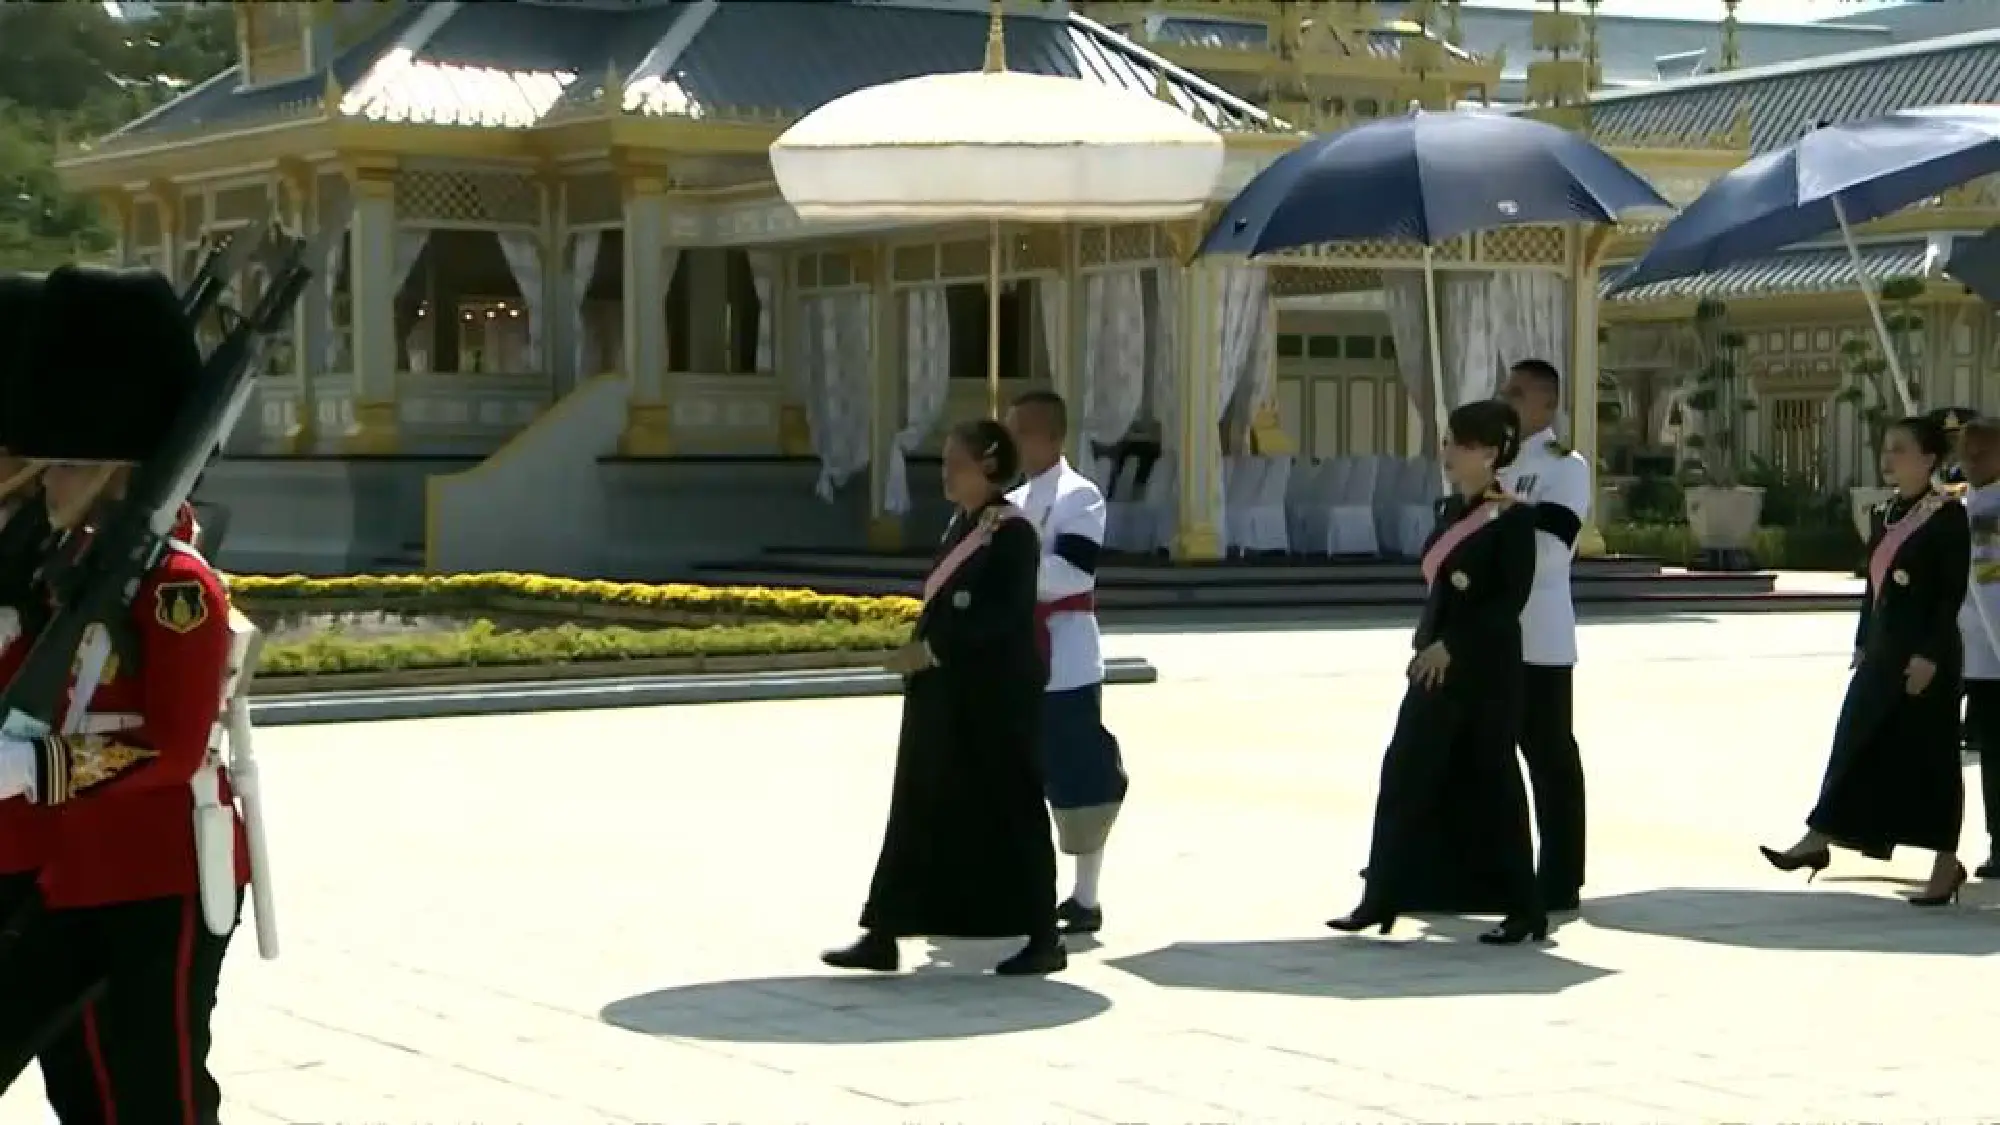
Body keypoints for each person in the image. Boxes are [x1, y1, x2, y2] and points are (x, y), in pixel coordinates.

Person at [0, 264, 247, 1120]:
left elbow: (169, 748)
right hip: (70, 873)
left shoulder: (178, 588)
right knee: (86, 1093)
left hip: (157, 872)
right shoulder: (71, 572)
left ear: (113, 468)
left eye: (64, 463)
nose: (46, 480)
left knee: (155, 1097)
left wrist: (38, 767)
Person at [823, 418, 1066, 976]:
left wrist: (936, 650)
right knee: (918, 806)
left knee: (1014, 808)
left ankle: (1043, 935)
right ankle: (883, 932)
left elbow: (1003, 617)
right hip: (944, 697)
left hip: (995, 699)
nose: (946, 475)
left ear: (987, 463)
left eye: (955, 463)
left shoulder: (1013, 533)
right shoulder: (962, 526)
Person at [1328, 399, 1545, 946]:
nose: (1448, 453)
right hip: (1433, 670)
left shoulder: (1515, 516)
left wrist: (1454, 645)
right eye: (1449, 442)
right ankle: (1380, 898)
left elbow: (1506, 604)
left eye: (1463, 445)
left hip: (1486, 672)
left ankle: (1525, 907)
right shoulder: (1449, 512)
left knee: (1496, 785)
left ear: (1492, 453)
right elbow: (1444, 589)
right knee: (1403, 774)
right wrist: (1429, 641)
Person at [1761, 414, 1970, 905]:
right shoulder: (1887, 514)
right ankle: (1819, 837)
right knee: (1854, 740)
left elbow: (1949, 595)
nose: (1889, 457)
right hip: (1882, 649)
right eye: (1886, 448)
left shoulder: (1947, 516)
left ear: (1929, 458)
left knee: (1932, 760)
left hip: (1925, 656)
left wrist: (1929, 656)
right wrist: (1862, 640)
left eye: (1900, 449)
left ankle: (1946, 862)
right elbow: (1872, 588)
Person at [1004, 391, 1129, 935]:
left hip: (1067, 655)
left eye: (1021, 431)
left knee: (1079, 775)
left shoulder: (1081, 497)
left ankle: (1085, 896)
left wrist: (1009, 573)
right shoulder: (1011, 499)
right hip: (1017, 659)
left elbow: (1072, 574)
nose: (1013, 442)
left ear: (1050, 436)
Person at [1496, 358, 1593, 912]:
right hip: (1495, 627)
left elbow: (1557, 537)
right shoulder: (1501, 463)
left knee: (1550, 756)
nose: (1507, 400)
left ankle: (1560, 876)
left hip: (1542, 628)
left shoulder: (1564, 465)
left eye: (1518, 392)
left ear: (1547, 404)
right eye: (1505, 390)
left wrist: (1508, 514)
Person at [1956, 419, 2000, 877]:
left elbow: (1989, 589)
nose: (1970, 461)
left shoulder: (1989, 511)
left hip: (1990, 657)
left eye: (1982, 453)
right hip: (1969, 651)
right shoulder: (1967, 502)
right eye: (1966, 452)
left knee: (1995, 759)